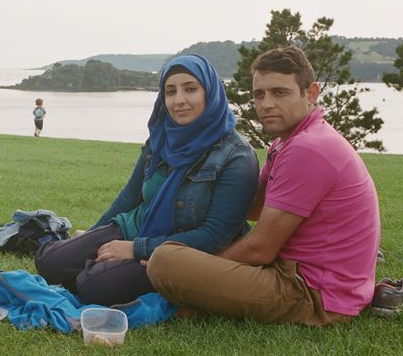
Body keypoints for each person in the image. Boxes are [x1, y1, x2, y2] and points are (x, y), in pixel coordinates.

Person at [148, 46, 380, 326]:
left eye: (279, 92)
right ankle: (197, 296)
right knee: (183, 255)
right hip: (304, 276)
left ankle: (192, 294)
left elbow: (260, 250)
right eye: (259, 94)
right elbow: (252, 208)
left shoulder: (309, 148)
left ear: (311, 93)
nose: (266, 104)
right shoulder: (286, 143)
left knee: (164, 262)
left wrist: (199, 268)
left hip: (313, 295)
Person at [35, 54, 259, 306]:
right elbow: (129, 198)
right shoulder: (160, 139)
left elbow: (214, 235)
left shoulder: (236, 156)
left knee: (92, 286)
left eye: (190, 89)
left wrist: (136, 249)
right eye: (170, 91)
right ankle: (96, 266)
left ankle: (110, 275)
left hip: (178, 253)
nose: (179, 100)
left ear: (210, 92)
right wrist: (94, 233)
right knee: (49, 263)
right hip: (132, 227)